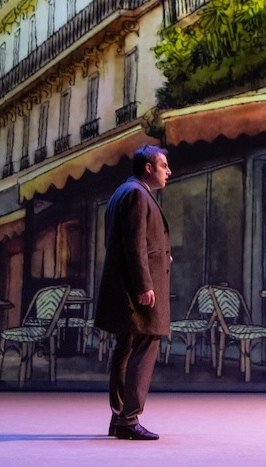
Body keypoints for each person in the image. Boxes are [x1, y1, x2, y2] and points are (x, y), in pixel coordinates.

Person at [95, 145, 173, 440]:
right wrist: (144, 284)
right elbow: (134, 243)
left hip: (127, 287)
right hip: (135, 289)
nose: (168, 171)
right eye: (163, 166)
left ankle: (120, 417)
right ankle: (128, 418)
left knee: (126, 347)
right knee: (145, 343)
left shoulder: (125, 192)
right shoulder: (136, 194)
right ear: (148, 168)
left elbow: (136, 242)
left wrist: (162, 256)